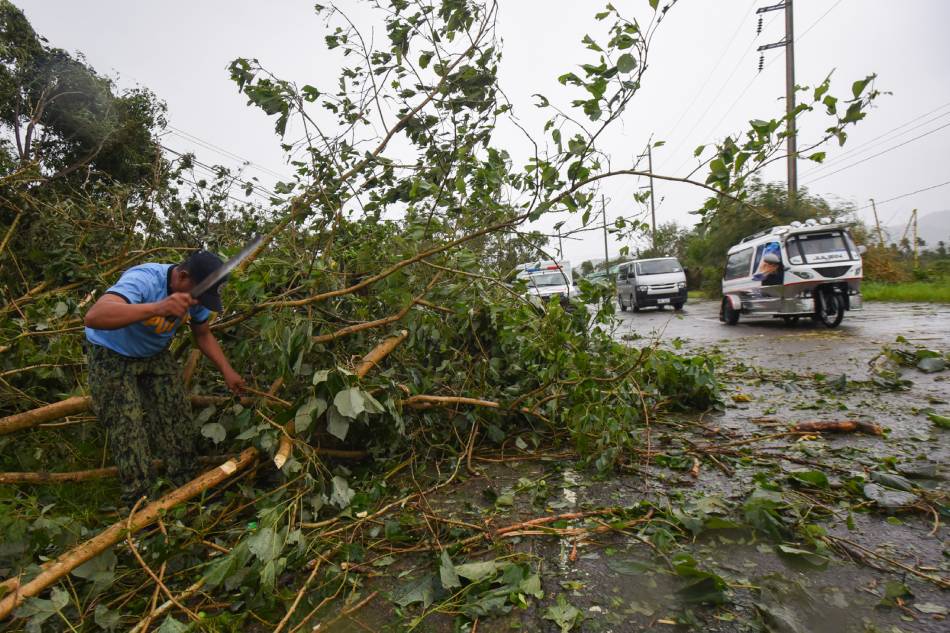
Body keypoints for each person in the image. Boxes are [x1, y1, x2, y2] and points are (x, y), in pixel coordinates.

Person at [83, 250, 246, 504]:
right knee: (127, 426)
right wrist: (156, 307)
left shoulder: (196, 298)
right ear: (182, 276)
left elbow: (202, 334)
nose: (199, 303)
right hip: (111, 354)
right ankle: (141, 503)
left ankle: (189, 486)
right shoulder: (144, 279)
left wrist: (227, 370)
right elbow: (94, 316)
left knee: (176, 415)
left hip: (154, 354)